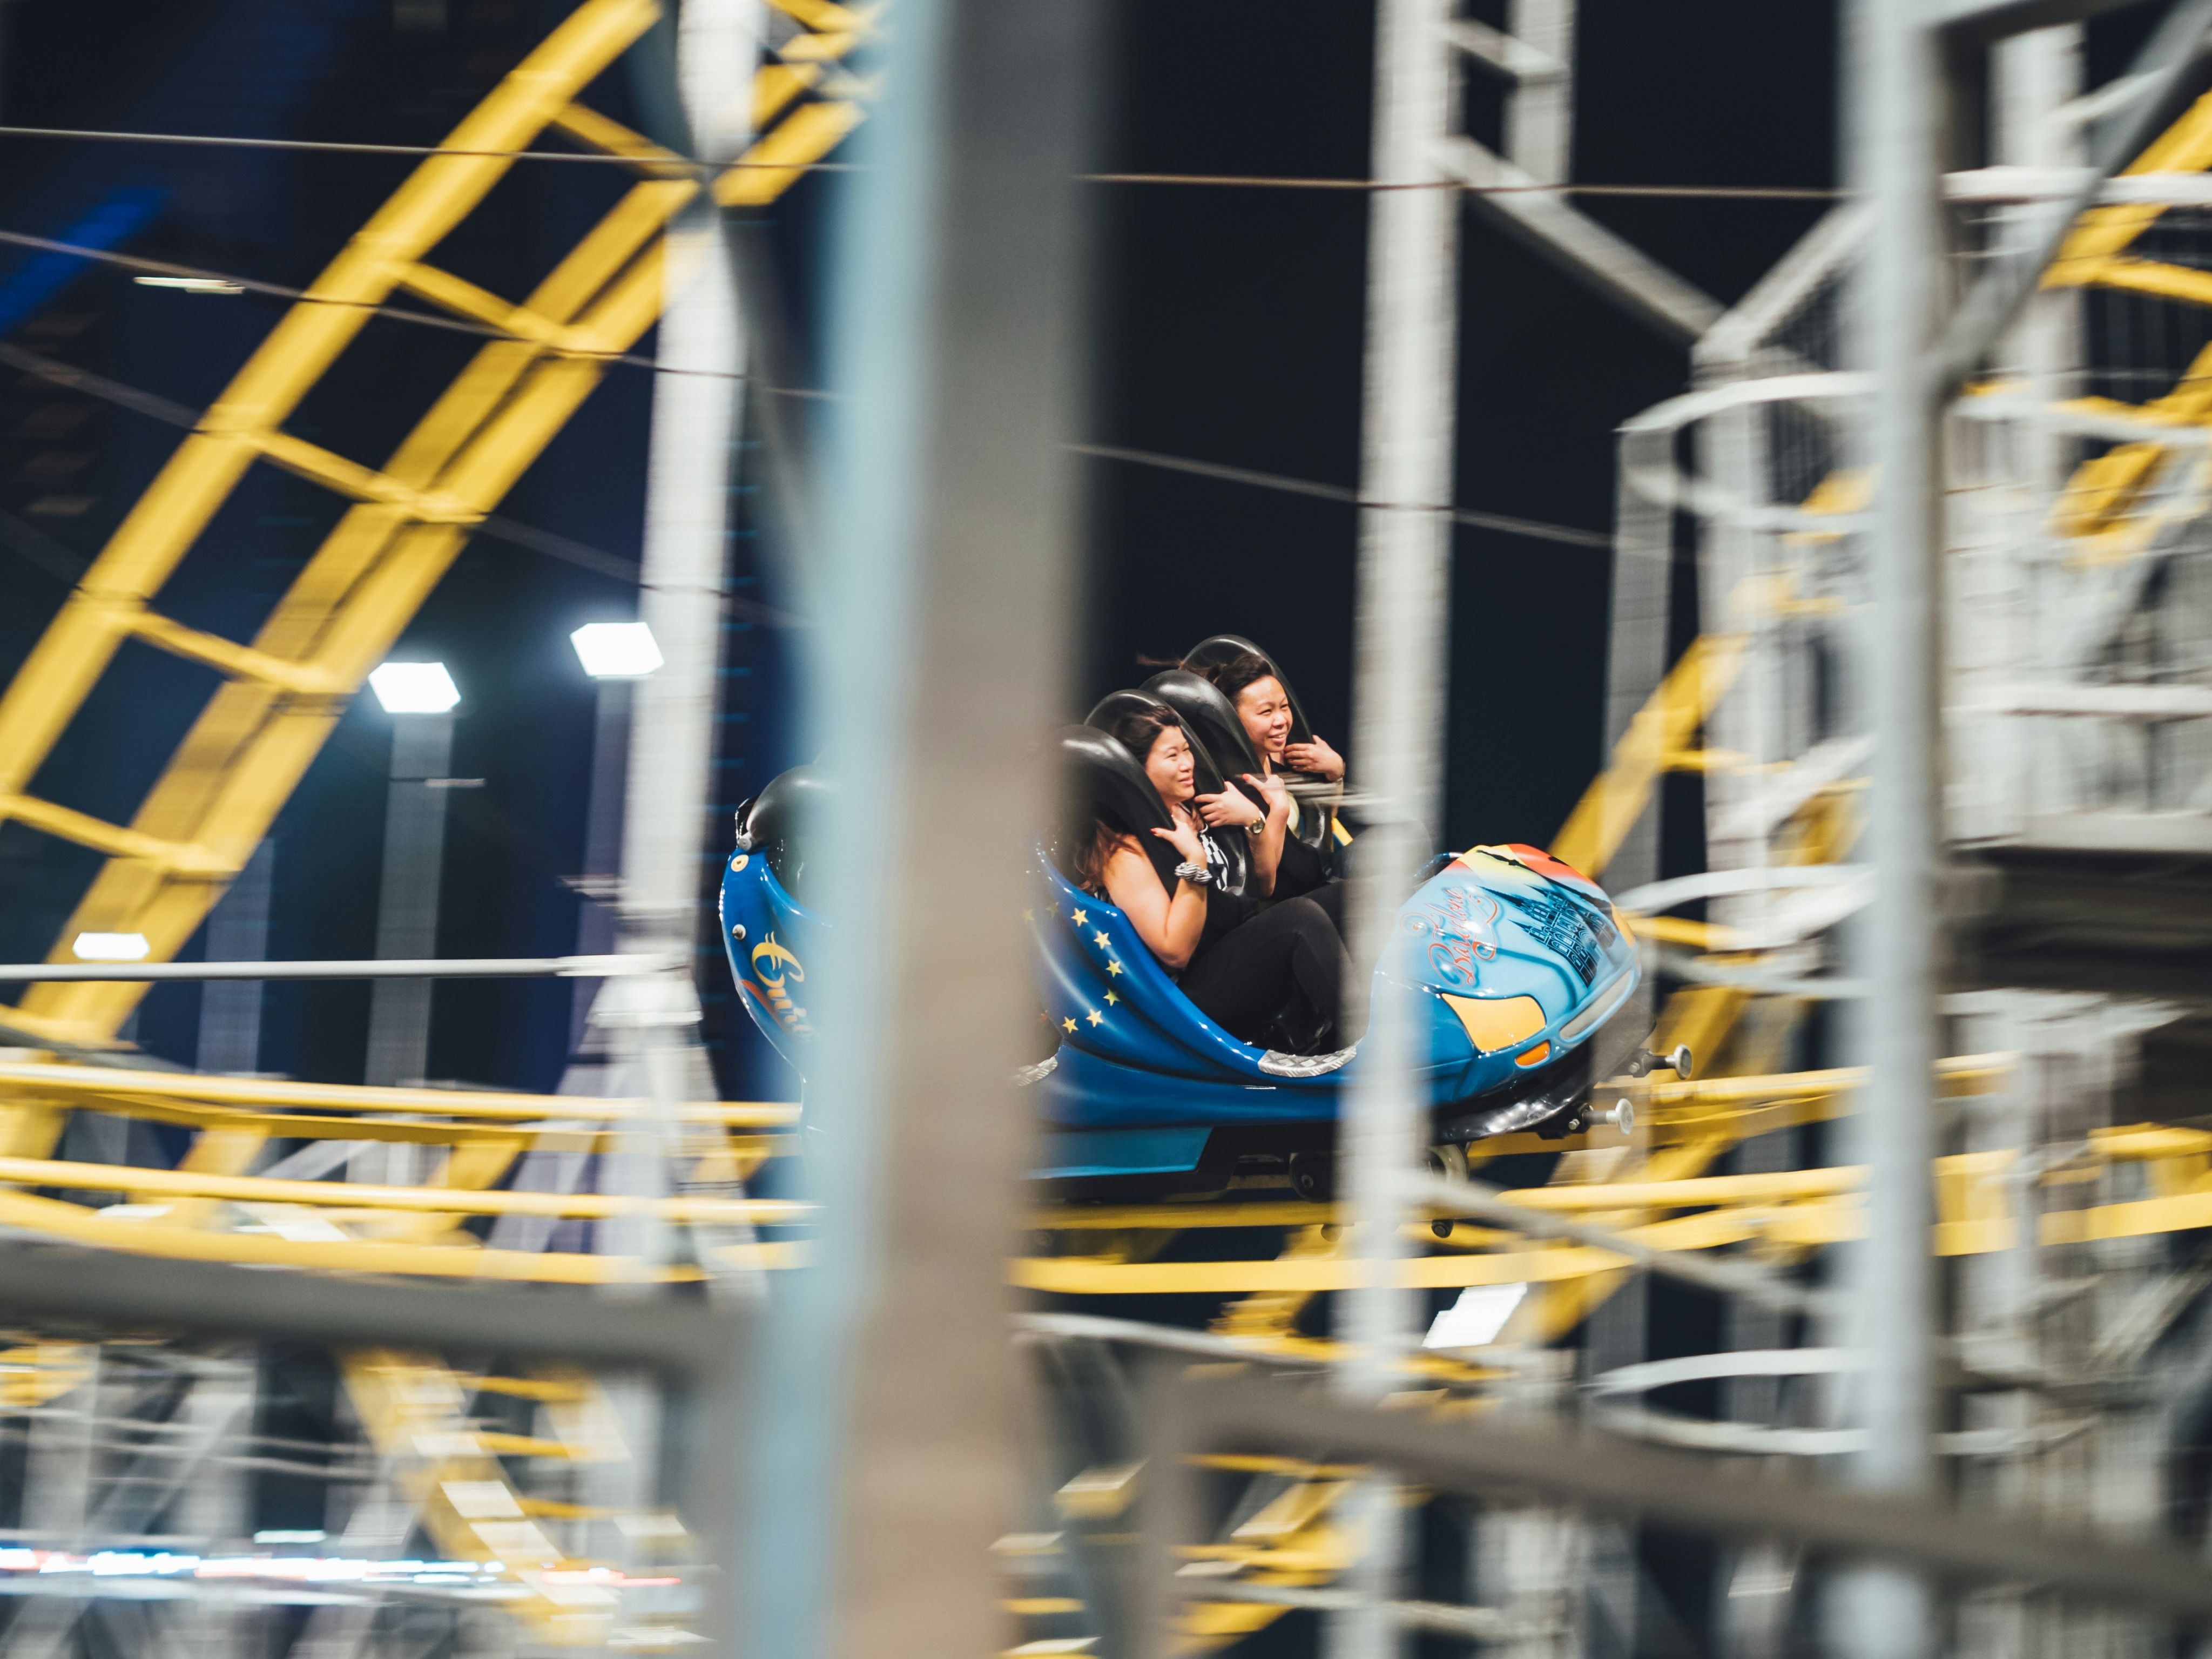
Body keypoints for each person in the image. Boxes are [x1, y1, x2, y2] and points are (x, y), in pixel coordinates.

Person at [1073, 705, 1348, 1053]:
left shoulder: (1195, 808)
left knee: (1350, 898)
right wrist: (1195, 861)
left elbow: (1263, 885)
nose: (1188, 763)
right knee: (1299, 920)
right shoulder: (1123, 850)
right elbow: (1175, 952)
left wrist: (1260, 818)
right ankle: (1376, 1051)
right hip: (1180, 999)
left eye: (1186, 749)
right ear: (1137, 774)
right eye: (1172, 756)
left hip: (1226, 946)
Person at [1190, 649, 1344, 911]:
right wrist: (1277, 811)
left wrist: (1336, 772)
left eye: (1284, 707)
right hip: (1288, 903)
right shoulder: (1228, 787)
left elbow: (1329, 822)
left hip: (1320, 871)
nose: (1281, 720)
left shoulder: (1287, 757)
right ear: (1232, 721)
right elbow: (1266, 886)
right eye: (1265, 712)